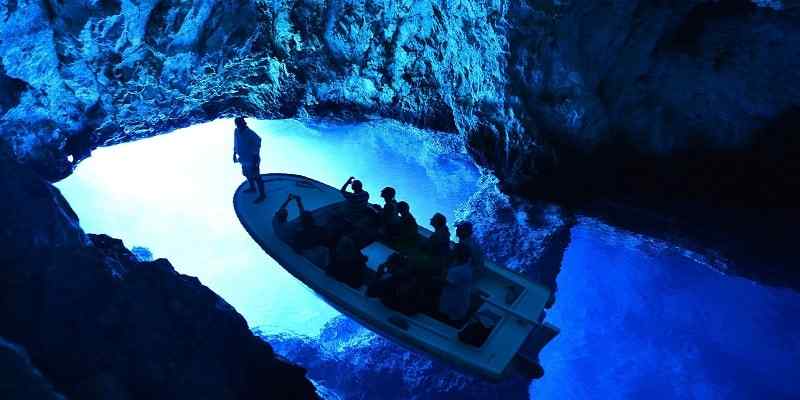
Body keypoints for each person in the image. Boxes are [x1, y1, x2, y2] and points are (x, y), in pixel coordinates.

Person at [233, 117, 265, 203]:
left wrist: (255, 155)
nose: (240, 125)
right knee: (246, 173)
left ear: (244, 123)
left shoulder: (249, 133)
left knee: (256, 177)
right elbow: (235, 142)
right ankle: (252, 188)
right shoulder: (236, 131)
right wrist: (234, 153)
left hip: (252, 159)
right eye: (238, 124)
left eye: (241, 123)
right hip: (243, 158)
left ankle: (262, 195)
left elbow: (258, 141)